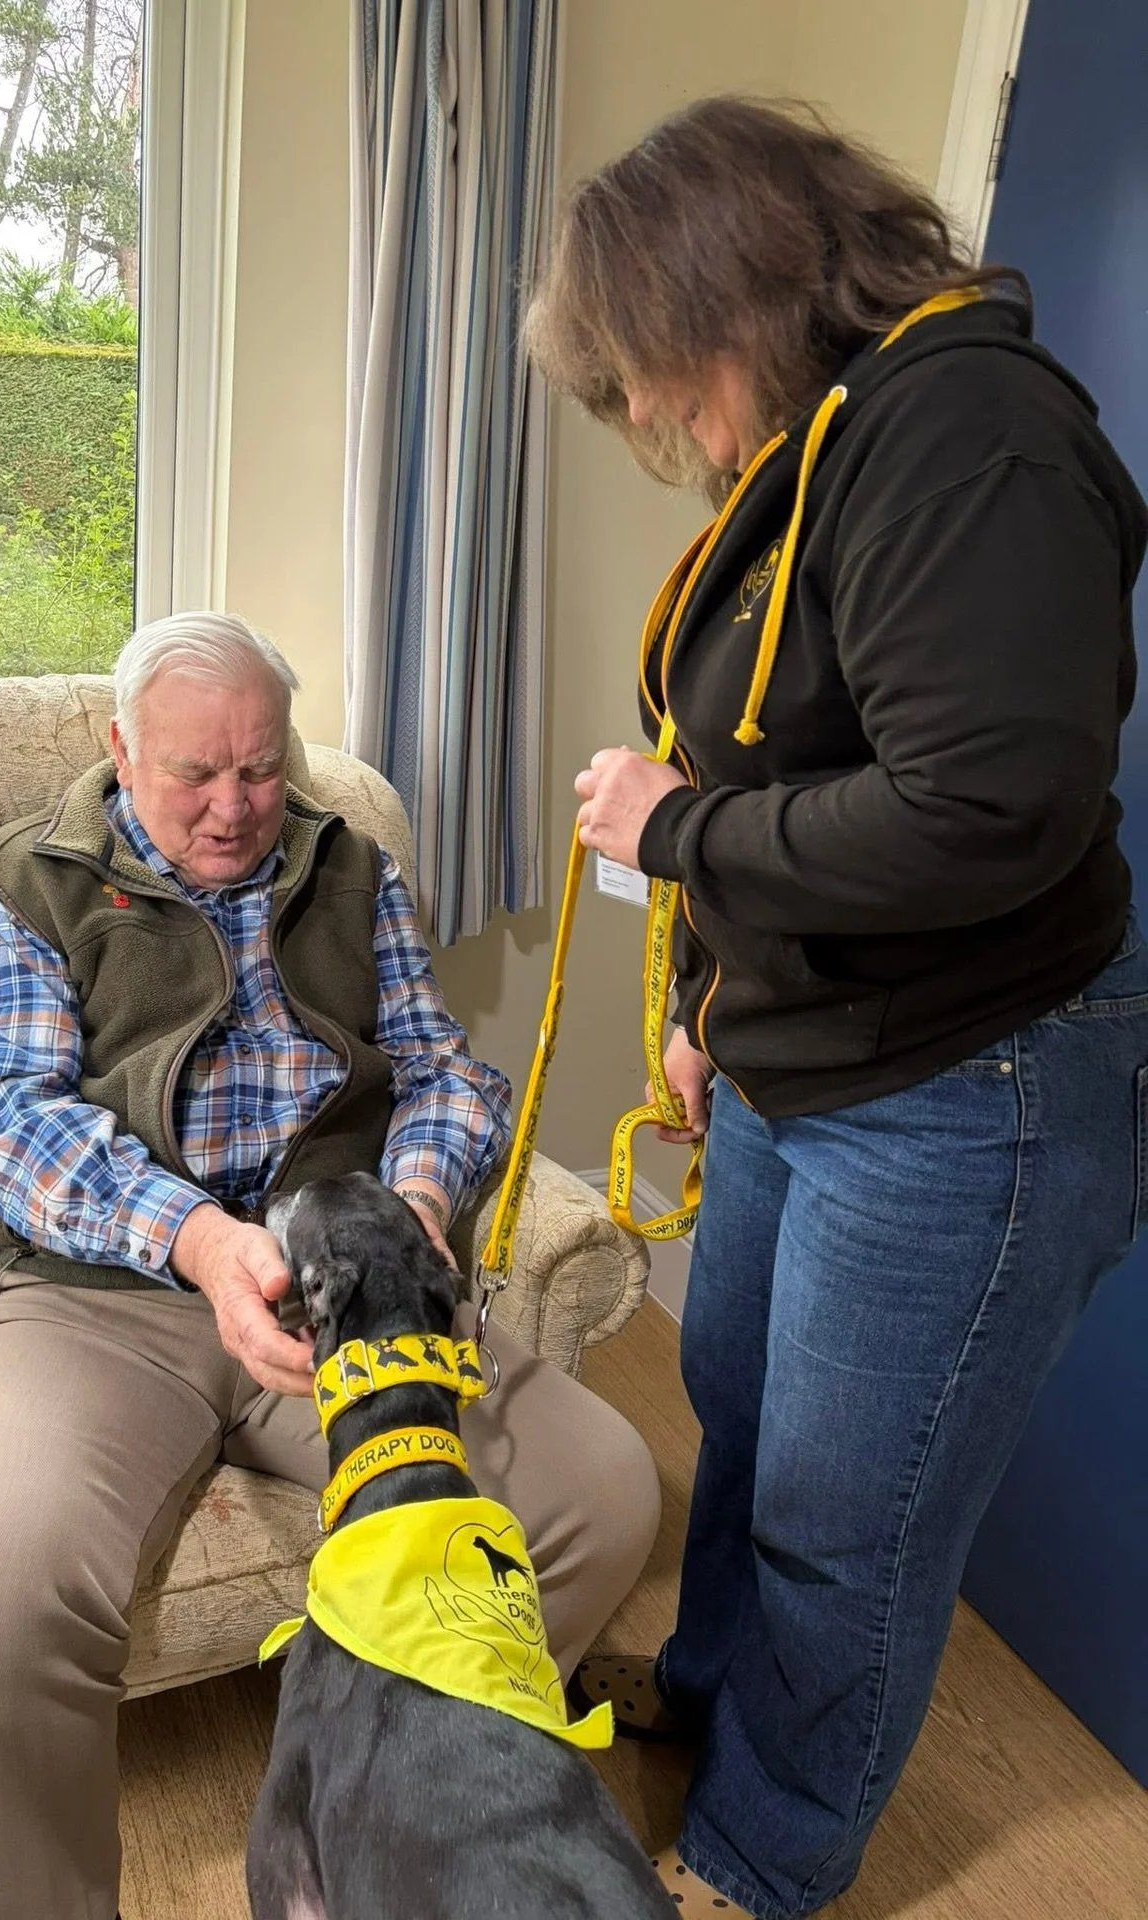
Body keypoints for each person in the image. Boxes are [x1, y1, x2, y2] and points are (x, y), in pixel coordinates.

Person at [528, 96, 1148, 1920]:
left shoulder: (971, 437)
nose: (643, 418)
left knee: (842, 1518)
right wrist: (715, 1004)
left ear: (738, 284)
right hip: (814, 1054)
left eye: (644, 372)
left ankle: (761, 1859)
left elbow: (984, 806)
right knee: (739, 1407)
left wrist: (680, 831)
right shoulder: (819, 445)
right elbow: (795, 741)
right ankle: (711, 1695)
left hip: (976, 1077)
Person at [0, 612, 660, 1920]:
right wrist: (197, 1237)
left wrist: (420, 1189)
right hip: (92, 1298)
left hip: (339, 1273)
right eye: (197, 773)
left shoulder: (350, 862)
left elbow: (437, 1070)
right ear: (119, 750)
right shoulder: (25, 885)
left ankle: (393, 1808)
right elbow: (1, 1119)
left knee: (597, 1495)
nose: (239, 805)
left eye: (262, 767)